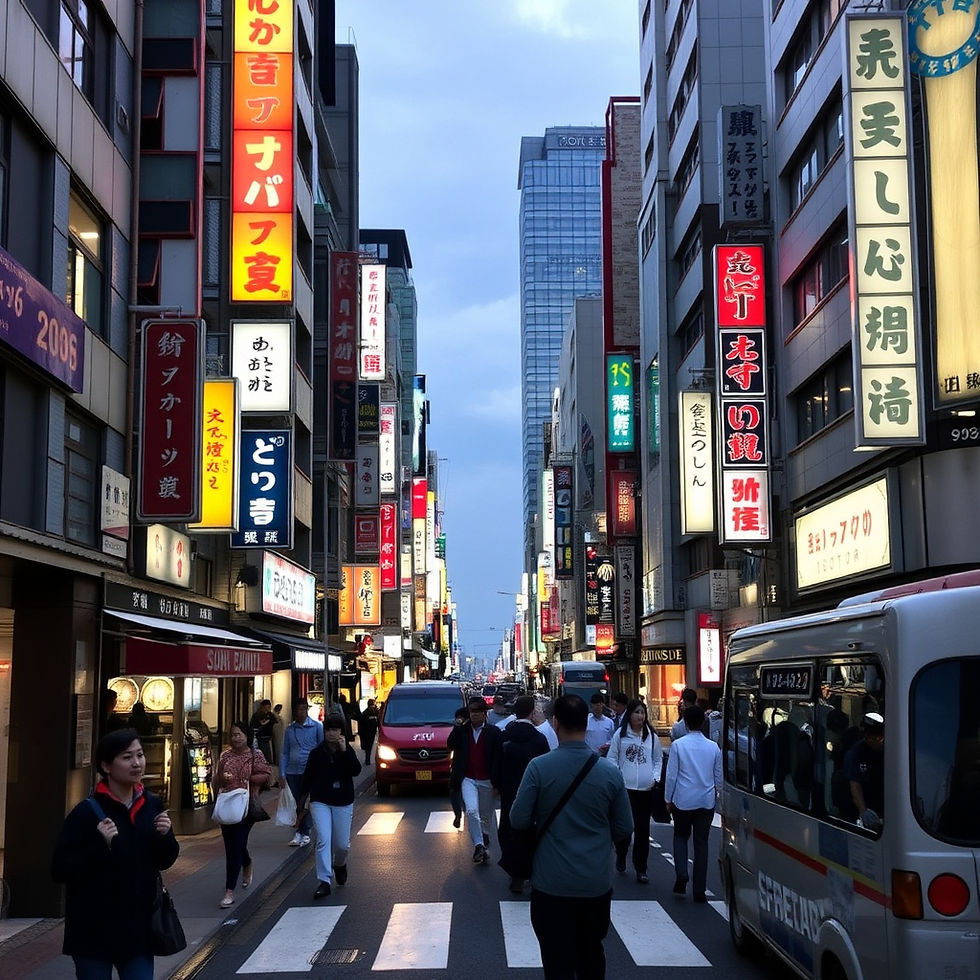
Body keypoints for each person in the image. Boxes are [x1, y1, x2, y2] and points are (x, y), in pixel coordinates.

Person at [510, 695, 633, 979]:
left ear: (556, 723)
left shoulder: (539, 768)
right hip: (595, 882)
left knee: (556, 960)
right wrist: (599, 838)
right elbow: (624, 827)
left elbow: (518, 819)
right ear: (586, 723)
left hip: (551, 881)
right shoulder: (609, 772)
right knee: (591, 952)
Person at [52, 729, 179, 980]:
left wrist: (165, 837)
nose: (137, 763)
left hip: (139, 930)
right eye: (127, 757)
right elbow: (59, 869)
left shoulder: (152, 804)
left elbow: (164, 860)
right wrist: (101, 846)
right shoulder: (86, 813)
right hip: (93, 931)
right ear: (106, 766)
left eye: (140, 755)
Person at [296, 714, 362, 898]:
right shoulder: (316, 753)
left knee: (342, 845)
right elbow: (307, 778)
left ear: (342, 732)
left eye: (335, 729)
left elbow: (356, 770)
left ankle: (340, 864)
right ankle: (324, 880)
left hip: (343, 800)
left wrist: (344, 751)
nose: (331, 733)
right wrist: (301, 803)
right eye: (328, 730)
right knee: (323, 838)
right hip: (320, 800)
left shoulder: (346, 750)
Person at [664, 704, 722, 903]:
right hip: (706, 801)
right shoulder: (713, 747)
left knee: (680, 836)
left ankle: (681, 872)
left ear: (685, 722)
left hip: (683, 799)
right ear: (703, 722)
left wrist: (668, 799)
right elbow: (719, 778)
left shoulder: (678, 745)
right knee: (702, 844)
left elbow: (671, 775)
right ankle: (699, 890)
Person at [212, 720, 271, 908]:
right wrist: (223, 778)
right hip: (228, 804)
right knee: (233, 844)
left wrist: (247, 779)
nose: (235, 738)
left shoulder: (255, 755)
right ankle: (246, 862)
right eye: (233, 735)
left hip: (247, 806)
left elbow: (266, 775)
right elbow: (216, 779)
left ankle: (229, 890)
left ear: (247, 736)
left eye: (239, 734)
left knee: (235, 845)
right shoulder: (225, 755)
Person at [494, 695, 549, 893]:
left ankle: (514, 871)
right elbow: (545, 766)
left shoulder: (504, 735)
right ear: (532, 712)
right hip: (533, 791)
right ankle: (531, 871)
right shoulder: (539, 738)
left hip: (509, 791)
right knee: (531, 832)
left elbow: (496, 764)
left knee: (508, 829)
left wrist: (497, 785)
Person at [607, 698, 663, 883]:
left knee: (642, 829)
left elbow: (657, 760)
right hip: (625, 789)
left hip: (645, 790)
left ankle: (641, 867)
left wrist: (655, 778)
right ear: (629, 715)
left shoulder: (651, 737)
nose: (640, 716)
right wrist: (618, 779)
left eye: (642, 713)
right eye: (637, 712)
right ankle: (621, 853)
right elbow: (612, 758)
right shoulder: (620, 735)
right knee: (624, 827)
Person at [448, 696, 502, 864]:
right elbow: (450, 744)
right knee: (471, 810)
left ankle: (483, 841)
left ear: (485, 714)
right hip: (468, 778)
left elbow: (499, 758)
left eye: (479, 712)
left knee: (486, 816)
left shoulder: (493, 732)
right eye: (472, 712)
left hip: (488, 780)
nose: (475, 716)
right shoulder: (463, 731)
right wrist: (457, 727)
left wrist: (497, 783)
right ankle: (478, 845)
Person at [280, 697, 323, 847]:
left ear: (307, 710)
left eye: (303, 709)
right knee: (296, 803)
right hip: (292, 771)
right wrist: (282, 773)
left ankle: (303, 832)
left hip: (309, 771)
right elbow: (285, 752)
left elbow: (321, 750)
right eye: (297, 710)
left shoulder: (317, 727)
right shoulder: (289, 729)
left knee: (304, 802)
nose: (300, 713)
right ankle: (300, 831)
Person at [845, 711, 885, 831]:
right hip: (869, 807)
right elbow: (855, 783)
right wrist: (863, 810)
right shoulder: (857, 752)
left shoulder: (892, 748)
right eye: (868, 737)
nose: (870, 740)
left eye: (876, 738)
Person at [449, 706, 469, 828]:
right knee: (455, 791)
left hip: (461, 765)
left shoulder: (464, 730)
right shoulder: (460, 729)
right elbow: (450, 744)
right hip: (460, 765)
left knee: (455, 791)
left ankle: (458, 814)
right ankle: (459, 814)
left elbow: (450, 744)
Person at [249, 699, 280, 767]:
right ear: (262, 707)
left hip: (269, 739)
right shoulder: (257, 715)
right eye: (265, 708)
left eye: (268, 708)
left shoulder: (271, 715)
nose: (266, 710)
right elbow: (253, 726)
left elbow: (276, 723)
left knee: (268, 756)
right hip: (259, 738)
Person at [359, 698, 380, 765]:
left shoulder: (365, 712)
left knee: (367, 745)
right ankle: (368, 759)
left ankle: (367, 759)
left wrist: (360, 732)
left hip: (366, 731)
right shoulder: (376, 711)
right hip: (373, 731)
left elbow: (361, 723)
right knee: (370, 745)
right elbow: (379, 721)